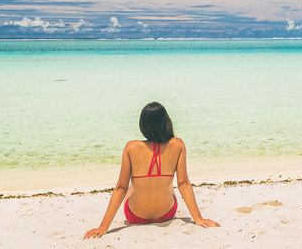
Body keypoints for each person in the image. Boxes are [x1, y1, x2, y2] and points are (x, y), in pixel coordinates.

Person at [84, 102, 219, 239]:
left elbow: (120, 188)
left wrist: (103, 227)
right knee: (168, 186)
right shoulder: (178, 144)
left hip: (135, 216)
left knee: (131, 186)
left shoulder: (131, 148)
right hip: (166, 214)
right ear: (166, 121)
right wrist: (198, 218)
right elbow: (183, 184)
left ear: (142, 125)